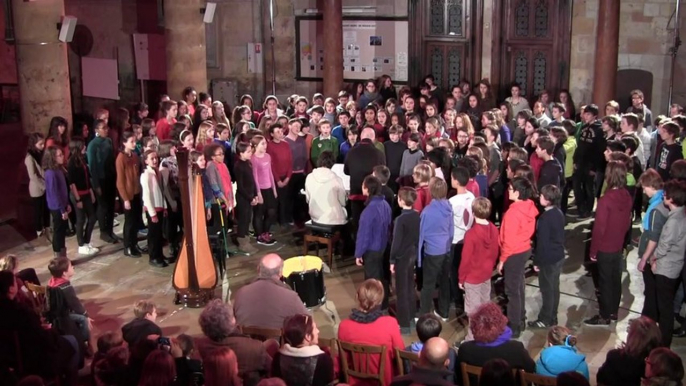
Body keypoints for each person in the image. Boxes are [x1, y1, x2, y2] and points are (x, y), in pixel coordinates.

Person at [0, 271, 78, 383]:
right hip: (33, 359)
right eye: (15, 282)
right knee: (72, 342)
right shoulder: (20, 311)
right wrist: (50, 331)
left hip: (9, 362)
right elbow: (41, 339)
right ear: (11, 289)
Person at [584, 161, 632, 326]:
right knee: (615, 279)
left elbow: (599, 229)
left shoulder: (605, 200)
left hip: (605, 247)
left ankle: (604, 315)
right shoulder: (626, 195)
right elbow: (627, 222)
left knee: (604, 282)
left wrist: (593, 251)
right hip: (618, 245)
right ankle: (613, 311)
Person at [338, 279, 404, 386]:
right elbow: (399, 354)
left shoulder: (344, 326)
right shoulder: (389, 323)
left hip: (355, 382)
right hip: (385, 382)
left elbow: (344, 359)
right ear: (379, 302)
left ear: (357, 296)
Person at [456, 302, 535, 385]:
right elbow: (530, 370)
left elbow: (459, 376)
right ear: (501, 323)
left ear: (475, 327)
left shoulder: (465, 349)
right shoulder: (516, 349)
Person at [196, 299, 271, 386]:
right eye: (232, 316)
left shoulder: (201, 345)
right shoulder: (256, 347)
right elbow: (272, 369)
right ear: (232, 322)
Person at [648, 180, 686, 347]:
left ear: (671, 199)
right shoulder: (682, 214)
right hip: (675, 266)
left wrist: (653, 258)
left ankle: (664, 344)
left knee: (665, 310)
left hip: (667, 269)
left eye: (665, 195)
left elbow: (664, 246)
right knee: (666, 306)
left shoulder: (673, 222)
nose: (663, 196)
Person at [498, 177, 538, 337]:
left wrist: (502, 260)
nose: (508, 191)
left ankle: (514, 325)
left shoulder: (513, 213)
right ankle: (520, 316)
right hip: (524, 249)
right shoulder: (529, 206)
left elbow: (509, 240)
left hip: (513, 253)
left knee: (512, 290)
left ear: (518, 192)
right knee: (519, 284)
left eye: (510, 188)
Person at [233, 253, 309, 330]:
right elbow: (308, 323)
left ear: (258, 269)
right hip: (277, 341)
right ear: (281, 272)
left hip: (247, 341)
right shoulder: (291, 297)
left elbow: (234, 322)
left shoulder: (240, 293)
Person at [459, 197, 498, 341]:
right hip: (486, 274)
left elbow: (466, 260)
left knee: (473, 311)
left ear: (473, 213)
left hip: (472, 277)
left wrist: (461, 278)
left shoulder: (471, 234)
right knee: (485, 306)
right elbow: (495, 252)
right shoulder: (494, 229)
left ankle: (471, 339)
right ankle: (487, 334)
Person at [529, 185, 566, 329]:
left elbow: (542, 243)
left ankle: (545, 318)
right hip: (558, 256)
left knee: (547, 290)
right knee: (554, 288)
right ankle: (553, 316)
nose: (539, 197)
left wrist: (537, 261)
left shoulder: (544, 218)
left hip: (548, 259)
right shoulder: (559, 213)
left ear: (548, 200)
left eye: (542, 196)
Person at [418, 177, 454, 320]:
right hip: (446, 250)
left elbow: (421, 235)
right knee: (444, 281)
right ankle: (444, 312)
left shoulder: (427, 212)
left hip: (432, 252)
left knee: (428, 285)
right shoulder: (449, 208)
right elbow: (451, 231)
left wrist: (419, 260)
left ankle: (424, 314)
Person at [355, 175, 392, 309]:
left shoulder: (368, 211)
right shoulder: (385, 204)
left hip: (372, 250)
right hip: (384, 247)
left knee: (372, 281)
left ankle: (375, 307)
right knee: (382, 277)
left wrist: (358, 254)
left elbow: (363, 235)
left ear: (367, 189)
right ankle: (384, 303)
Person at [271, 314, 334, 386]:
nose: (318, 331)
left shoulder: (278, 357)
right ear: (307, 336)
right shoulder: (323, 360)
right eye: (315, 328)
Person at [46, 256, 93, 354]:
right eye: (71, 266)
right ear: (64, 273)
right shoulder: (65, 287)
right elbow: (75, 304)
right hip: (63, 317)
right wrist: (86, 315)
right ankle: (84, 342)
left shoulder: (51, 282)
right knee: (83, 319)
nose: (73, 268)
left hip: (54, 314)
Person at [597, 316, 662, 386]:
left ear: (632, 337)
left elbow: (601, 378)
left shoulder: (615, 357)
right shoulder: (662, 365)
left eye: (629, 331)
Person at [390, 187, 420, 334]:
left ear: (401, 200)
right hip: (412, 255)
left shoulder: (400, 220)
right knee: (410, 288)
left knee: (401, 291)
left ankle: (404, 326)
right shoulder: (417, 216)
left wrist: (392, 260)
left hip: (402, 257)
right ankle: (411, 319)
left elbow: (396, 242)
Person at [344, 127, 386, 231]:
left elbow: (346, 171)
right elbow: (382, 173)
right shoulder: (379, 153)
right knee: (371, 225)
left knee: (357, 224)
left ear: (361, 137)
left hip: (355, 194)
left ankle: (357, 245)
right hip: (372, 195)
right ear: (374, 138)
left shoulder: (351, 152)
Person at [87, 119, 118, 244]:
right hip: (100, 179)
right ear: (96, 130)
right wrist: (96, 185)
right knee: (103, 206)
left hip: (110, 177)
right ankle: (103, 231)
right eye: (103, 128)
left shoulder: (109, 141)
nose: (106, 130)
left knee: (111, 206)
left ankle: (110, 230)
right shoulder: (92, 145)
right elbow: (93, 166)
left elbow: (111, 159)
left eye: (107, 128)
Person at [66, 137, 99, 256]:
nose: (85, 148)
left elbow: (87, 178)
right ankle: (81, 245)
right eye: (83, 146)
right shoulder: (71, 163)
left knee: (92, 217)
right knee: (80, 220)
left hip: (86, 193)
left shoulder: (82, 160)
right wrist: (78, 199)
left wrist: (91, 192)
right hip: (78, 195)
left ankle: (86, 241)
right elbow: (72, 183)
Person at [573, 104, 605, 219]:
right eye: (585, 114)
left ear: (595, 116)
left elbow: (599, 150)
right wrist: (575, 160)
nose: (586, 116)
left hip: (590, 164)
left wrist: (594, 168)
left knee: (588, 188)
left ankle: (588, 210)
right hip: (580, 162)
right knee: (576, 186)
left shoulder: (599, 130)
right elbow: (579, 145)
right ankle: (580, 208)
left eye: (589, 114)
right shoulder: (583, 127)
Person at [116, 131, 143, 258]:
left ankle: (134, 243)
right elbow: (120, 181)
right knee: (129, 222)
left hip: (136, 193)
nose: (134, 144)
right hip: (128, 195)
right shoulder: (121, 158)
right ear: (124, 143)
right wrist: (125, 199)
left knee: (136, 221)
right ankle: (128, 246)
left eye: (135, 141)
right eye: (131, 141)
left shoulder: (134, 156)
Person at [305, 151, 347, 225]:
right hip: (333, 219)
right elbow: (343, 202)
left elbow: (308, 199)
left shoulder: (309, 177)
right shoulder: (337, 179)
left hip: (315, 216)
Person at [43, 146, 71, 257]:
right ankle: (58, 258)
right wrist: (62, 210)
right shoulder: (50, 173)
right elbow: (54, 193)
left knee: (63, 231)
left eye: (62, 154)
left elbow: (63, 190)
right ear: (53, 158)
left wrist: (67, 204)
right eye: (59, 155)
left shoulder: (58, 169)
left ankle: (63, 257)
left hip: (63, 205)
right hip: (56, 207)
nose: (62, 156)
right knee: (58, 232)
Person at [251, 135, 278, 245]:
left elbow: (270, 173)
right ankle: (259, 235)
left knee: (271, 211)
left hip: (268, 188)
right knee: (259, 213)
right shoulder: (253, 158)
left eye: (265, 143)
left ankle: (266, 231)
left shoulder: (267, 156)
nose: (265, 146)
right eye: (262, 144)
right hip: (260, 189)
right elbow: (255, 177)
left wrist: (274, 188)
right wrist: (258, 193)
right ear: (256, 145)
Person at [266, 123, 293, 226]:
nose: (280, 133)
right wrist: (278, 180)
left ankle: (285, 219)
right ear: (272, 134)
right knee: (277, 200)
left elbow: (290, 161)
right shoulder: (270, 146)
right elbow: (271, 165)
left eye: (281, 131)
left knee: (286, 200)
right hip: (276, 178)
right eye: (277, 132)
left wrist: (288, 177)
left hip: (286, 176)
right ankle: (276, 221)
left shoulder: (286, 144)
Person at [25, 132, 50, 238]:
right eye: (40, 144)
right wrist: (44, 186)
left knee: (46, 208)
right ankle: (39, 229)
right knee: (38, 210)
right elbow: (33, 176)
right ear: (33, 144)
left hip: (46, 186)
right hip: (37, 189)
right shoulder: (29, 158)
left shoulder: (42, 154)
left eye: (43, 143)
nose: (43, 146)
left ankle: (47, 226)